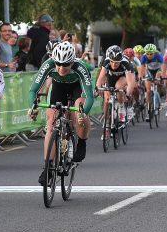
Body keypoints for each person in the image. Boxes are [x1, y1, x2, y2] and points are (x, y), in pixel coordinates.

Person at [27, 41, 93, 185]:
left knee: (79, 109)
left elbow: (89, 97)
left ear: (72, 62)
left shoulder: (80, 67)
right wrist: (32, 107)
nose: (61, 68)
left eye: (66, 65)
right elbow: (33, 90)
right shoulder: (48, 64)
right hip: (59, 88)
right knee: (51, 123)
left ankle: (81, 142)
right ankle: (48, 168)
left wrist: (83, 114)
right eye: (58, 64)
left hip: (77, 88)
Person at [95, 46, 136, 123]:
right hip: (111, 77)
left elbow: (130, 83)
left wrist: (127, 94)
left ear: (120, 61)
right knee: (106, 99)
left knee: (118, 87)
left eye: (117, 62)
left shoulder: (126, 63)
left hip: (123, 77)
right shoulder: (106, 62)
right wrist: (97, 89)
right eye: (112, 62)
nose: (114, 64)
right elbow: (100, 78)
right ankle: (106, 123)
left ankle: (121, 107)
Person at [138, 43, 163, 122]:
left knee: (158, 82)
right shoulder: (144, 57)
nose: (149, 55)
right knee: (148, 91)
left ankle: (159, 98)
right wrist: (140, 77)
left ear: (154, 52)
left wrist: (158, 78)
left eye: (151, 54)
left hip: (158, 70)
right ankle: (149, 108)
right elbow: (142, 68)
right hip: (149, 71)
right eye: (147, 53)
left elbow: (162, 68)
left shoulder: (158, 56)